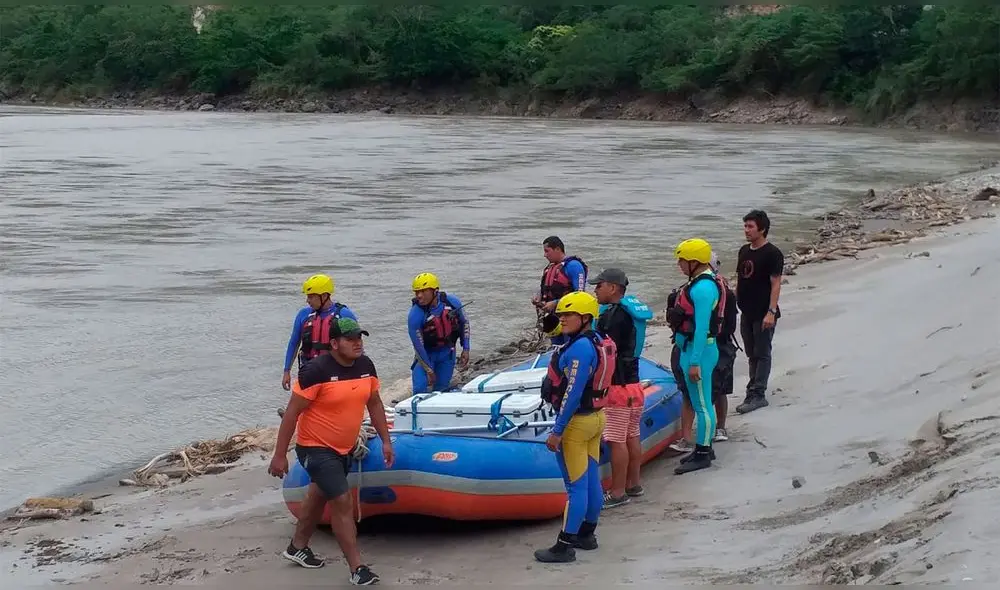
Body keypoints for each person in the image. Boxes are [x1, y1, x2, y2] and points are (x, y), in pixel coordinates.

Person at [268, 317, 393, 586]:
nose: (357, 343)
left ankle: (297, 546)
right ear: (334, 344)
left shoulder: (366, 366)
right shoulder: (316, 371)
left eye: (359, 338)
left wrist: (385, 441)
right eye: (350, 339)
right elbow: (291, 414)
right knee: (341, 500)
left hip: (344, 448)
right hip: (315, 448)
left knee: (317, 495)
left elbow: (375, 403)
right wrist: (280, 455)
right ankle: (357, 568)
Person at [534, 291, 615, 564]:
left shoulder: (580, 347)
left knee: (576, 486)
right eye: (562, 314)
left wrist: (557, 430)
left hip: (576, 425)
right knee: (591, 480)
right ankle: (587, 534)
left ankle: (565, 545)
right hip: (595, 418)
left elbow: (572, 392)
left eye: (568, 315)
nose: (562, 319)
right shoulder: (597, 339)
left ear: (585, 317)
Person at [590, 268, 651, 509]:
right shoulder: (629, 312)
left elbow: (604, 353)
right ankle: (634, 484)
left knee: (616, 441)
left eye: (599, 286)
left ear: (612, 288)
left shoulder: (613, 316)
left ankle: (617, 493)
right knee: (632, 436)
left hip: (617, 388)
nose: (595, 290)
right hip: (634, 384)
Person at [667, 238, 723, 474]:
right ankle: (704, 446)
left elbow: (701, 328)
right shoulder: (701, 283)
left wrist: (695, 362)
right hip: (693, 348)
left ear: (694, 262)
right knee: (702, 401)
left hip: (698, 350)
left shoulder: (702, 288)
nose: (679, 264)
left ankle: (702, 453)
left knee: (701, 403)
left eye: (682, 260)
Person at [735, 210, 784, 414]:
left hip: (764, 311)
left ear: (762, 229)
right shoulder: (744, 250)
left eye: (750, 226)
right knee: (751, 353)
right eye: (745, 226)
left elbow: (776, 284)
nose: (746, 230)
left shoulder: (773, 253)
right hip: (747, 311)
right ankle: (752, 388)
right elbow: (740, 278)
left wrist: (771, 311)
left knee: (762, 353)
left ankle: (758, 394)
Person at [282, 274, 359, 392]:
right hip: (309, 369)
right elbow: (294, 343)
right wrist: (287, 371)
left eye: (311, 297)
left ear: (324, 296)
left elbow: (356, 346)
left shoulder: (344, 314)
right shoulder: (303, 315)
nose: (307, 300)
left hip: (335, 370)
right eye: (308, 296)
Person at [407, 272, 470, 394]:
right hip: (426, 354)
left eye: (423, 291)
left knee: (441, 389)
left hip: (447, 354)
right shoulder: (415, 315)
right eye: (416, 292)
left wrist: (466, 348)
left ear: (435, 291)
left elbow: (464, 323)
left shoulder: (452, 302)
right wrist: (429, 370)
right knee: (419, 389)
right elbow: (418, 345)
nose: (419, 296)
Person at [532, 236, 588, 346]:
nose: (545, 255)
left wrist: (556, 303)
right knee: (556, 347)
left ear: (557, 249)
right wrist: (538, 296)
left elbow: (580, 294)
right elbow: (545, 288)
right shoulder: (550, 268)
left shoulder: (573, 266)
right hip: (552, 317)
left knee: (568, 345)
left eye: (547, 251)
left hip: (568, 317)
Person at [708, 252, 739, 442]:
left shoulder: (723, 290)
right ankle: (716, 426)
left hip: (720, 343)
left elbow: (730, 323)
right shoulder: (701, 287)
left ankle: (720, 426)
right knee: (716, 389)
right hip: (714, 342)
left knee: (720, 389)